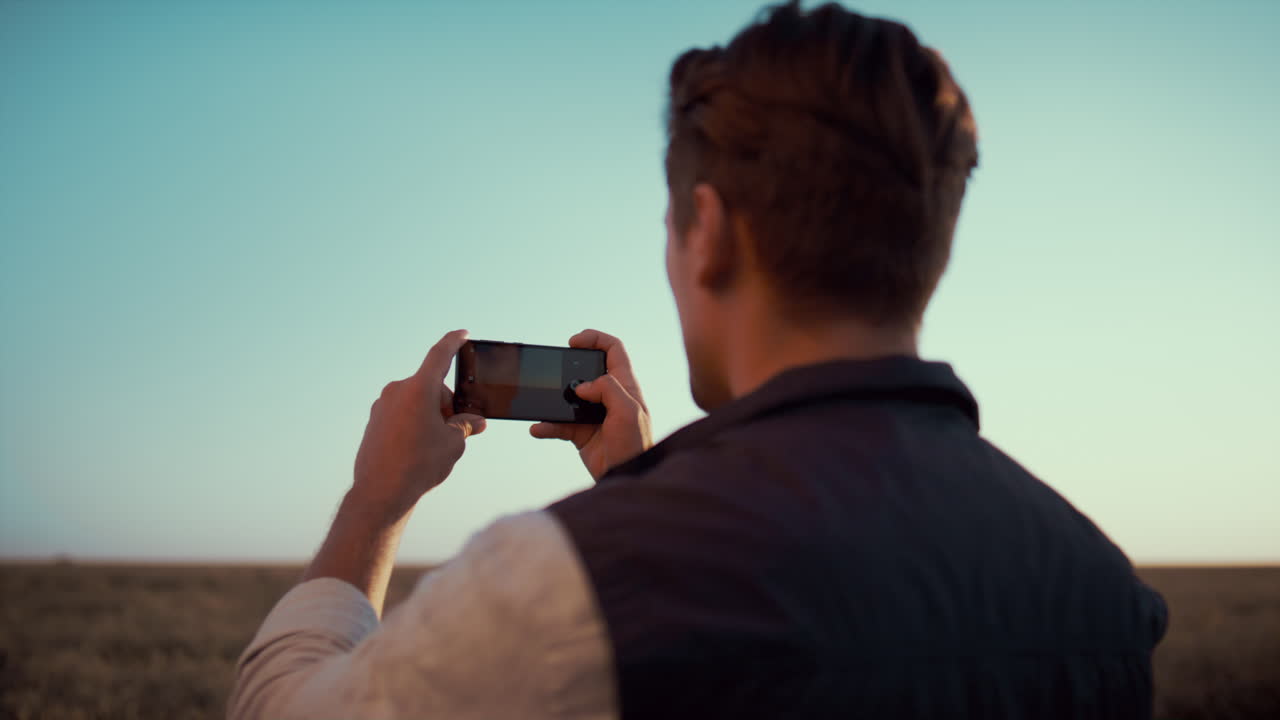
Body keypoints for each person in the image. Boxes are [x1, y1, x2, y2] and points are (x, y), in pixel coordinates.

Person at [227, 2, 1167, 718]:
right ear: (932, 245)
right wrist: (640, 478)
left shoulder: (567, 583)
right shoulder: (1101, 588)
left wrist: (375, 501)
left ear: (706, 231)